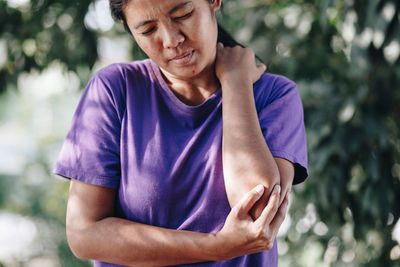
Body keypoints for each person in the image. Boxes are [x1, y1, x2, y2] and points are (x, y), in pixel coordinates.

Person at [53, 0, 308, 266]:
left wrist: (235, 83)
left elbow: (259, 213)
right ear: (127, 27)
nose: (171, 40)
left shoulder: (274, 96)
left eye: (183, 15)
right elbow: (85, 234)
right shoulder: (114, 91)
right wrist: (215, 246)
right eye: (149, 30)